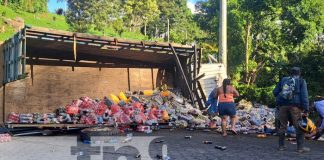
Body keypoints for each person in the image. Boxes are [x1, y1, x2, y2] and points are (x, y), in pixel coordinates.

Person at [273, 67, 310, 153]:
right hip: (295, 107)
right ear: (299, 73)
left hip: (282, 106)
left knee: (282, 126)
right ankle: (300, 148)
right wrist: (306, 109)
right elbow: (304, 96)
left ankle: (281, 146)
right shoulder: (301, 81)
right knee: (299, 126)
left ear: (290, 73)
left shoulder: (284, 80)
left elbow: (275, 92)